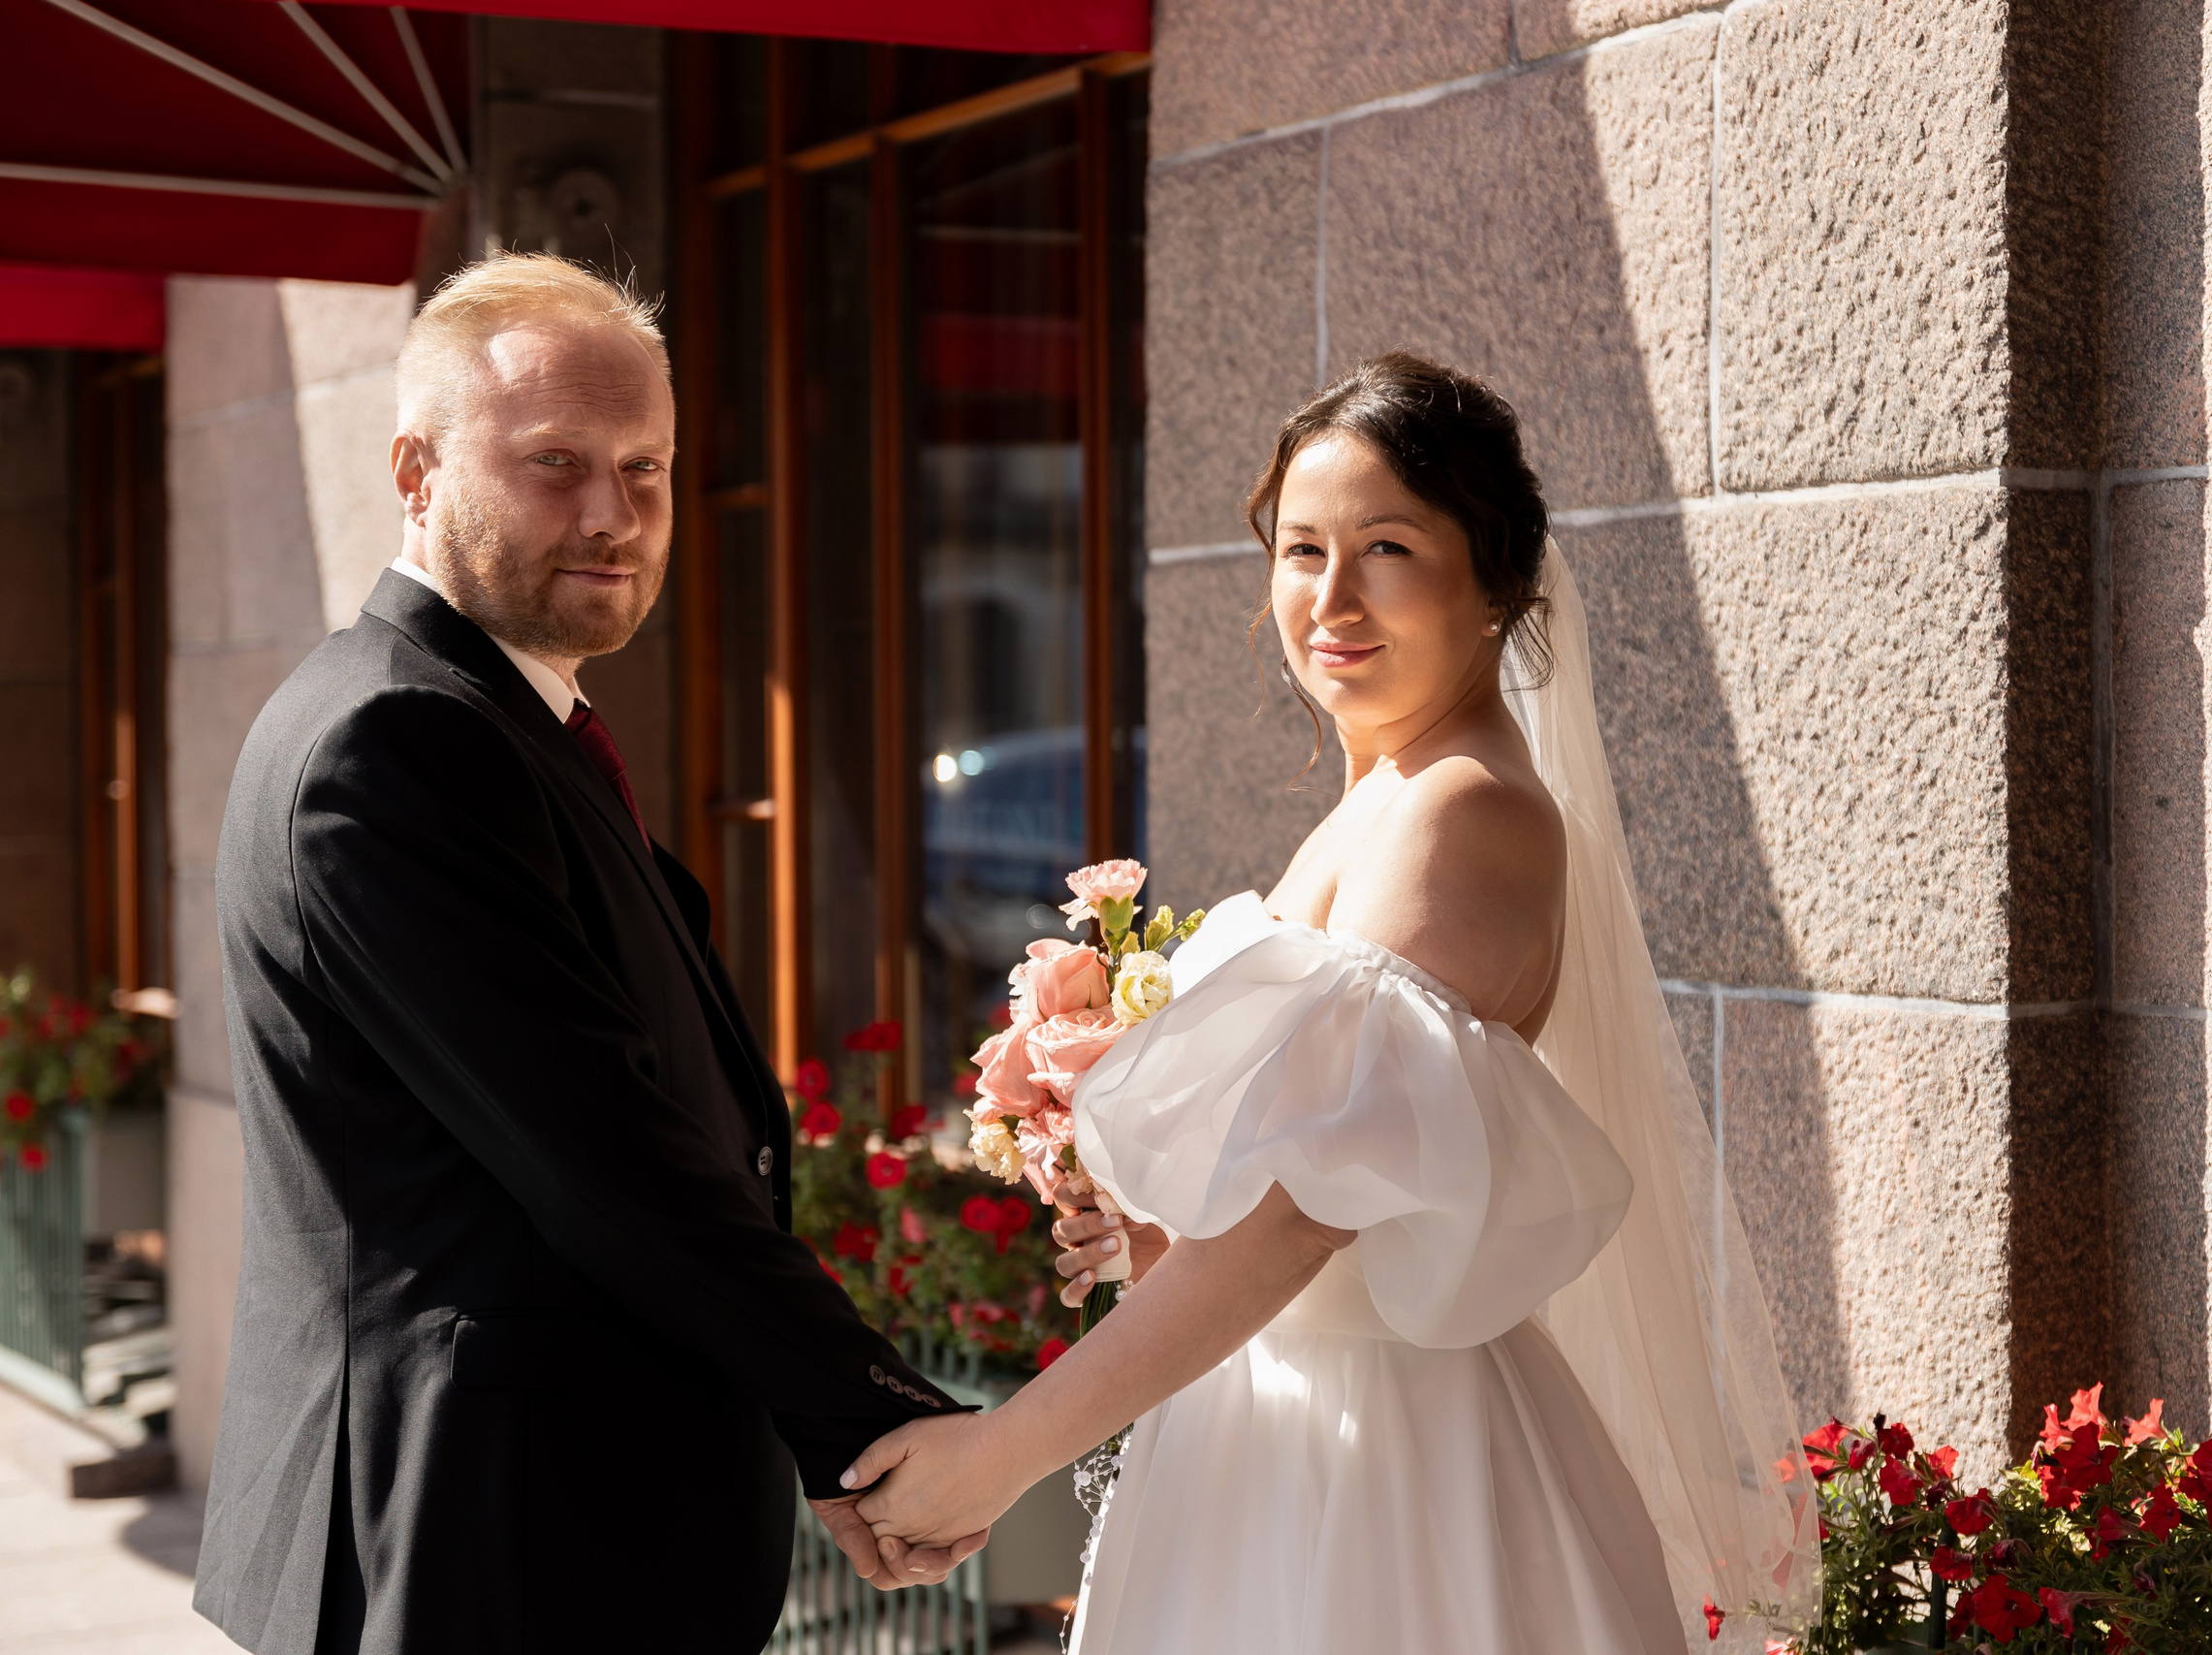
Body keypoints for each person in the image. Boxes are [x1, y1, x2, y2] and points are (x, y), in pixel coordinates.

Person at [839, 354, 1822, 1653]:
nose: (1331, 596)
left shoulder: (1462, 813)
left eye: (1389, 547)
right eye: (1302, 549)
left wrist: (1006, 1453)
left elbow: (1301, 1227)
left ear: (1496, 585)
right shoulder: (1387, 799)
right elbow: (1289, 1213)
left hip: (1382, 1475)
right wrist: (1137, 1217)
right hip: (1268, 1429)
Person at [195, 252, 970, 1655]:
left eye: (649, 466)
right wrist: (865, 1415)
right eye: (556, 461)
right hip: (486, 1546)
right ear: (415, 471)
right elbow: (600, 1150)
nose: (615, 513)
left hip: (540, 1528)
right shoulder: (396, 742)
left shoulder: (485, 723)